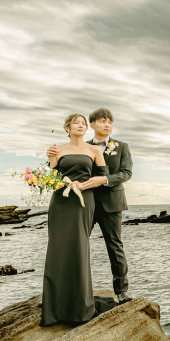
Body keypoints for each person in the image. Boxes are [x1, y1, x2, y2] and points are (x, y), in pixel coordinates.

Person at [47, 107, 133, 304]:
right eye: (103, 121)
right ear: (92, 125)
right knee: (74, 245)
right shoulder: (80, 145)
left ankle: (121, 291)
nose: (108, 125)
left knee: (115, 246)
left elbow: (126, 173)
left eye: (110, 122)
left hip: (111, 202)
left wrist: (103, 179)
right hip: (82, 203)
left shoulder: (121, 146)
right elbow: (59, 169)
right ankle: (65, 292)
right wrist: (49, 155)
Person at [41, 113, 115, 326]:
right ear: (67, 127)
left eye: (84, 123)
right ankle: (55, 307)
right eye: (77, 123)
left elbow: (102, 176)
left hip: (83, 201)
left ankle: (80, 306)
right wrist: (51, 161)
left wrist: (86, 184)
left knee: (79, 247)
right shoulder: (58, 149)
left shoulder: (93, 150)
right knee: (57, 249)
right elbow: (52, 177)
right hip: (61, 201)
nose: (81, 125)